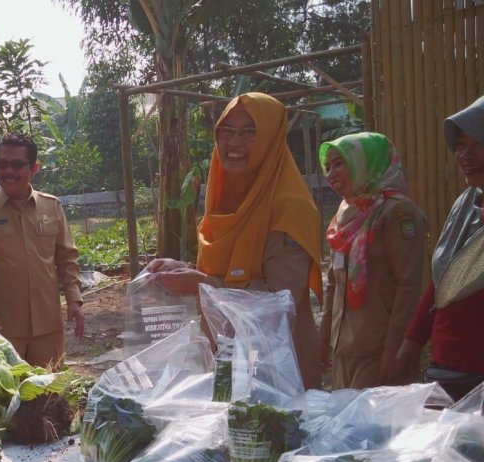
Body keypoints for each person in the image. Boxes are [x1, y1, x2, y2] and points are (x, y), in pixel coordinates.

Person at [148, 92, 324, 390]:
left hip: (277, 373)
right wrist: (184, 270)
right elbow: (233, 272)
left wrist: (202, 283)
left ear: (270, 137)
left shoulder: (288, 208)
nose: (234, 143)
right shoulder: (223, 201)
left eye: (248, 132)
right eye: (226, 132)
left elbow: (280, 303)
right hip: (231, 361)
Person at [0, 133, 84, 368]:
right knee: (7, 395)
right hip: (2, 327)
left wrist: (74, 299)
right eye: (2, 164)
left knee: (48, 393)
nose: (9, 172)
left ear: (34, 168)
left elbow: (66, 258)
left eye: (17, 165)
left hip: (48, 326)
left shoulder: (51, 206)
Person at [318, 133, 426, 390]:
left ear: (364, 162)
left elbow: (408, 285)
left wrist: (394, 349)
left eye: (340, 163)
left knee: (376, 427)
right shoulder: (346, 213)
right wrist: (324, 339)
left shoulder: (397, 212)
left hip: (379, 350)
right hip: (344, 349)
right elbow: (334, 283)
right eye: (327, 166)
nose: (331, 173)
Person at [397, 95, 484, 400]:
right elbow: (443, 279)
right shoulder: (467, 206)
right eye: (460, 144)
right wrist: (411, 344)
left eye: (478, 143)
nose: (465, 155)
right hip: (446, 367)